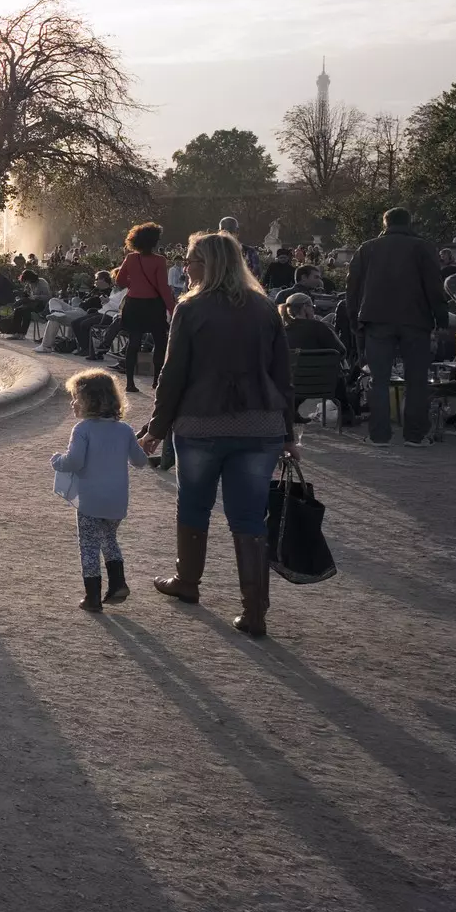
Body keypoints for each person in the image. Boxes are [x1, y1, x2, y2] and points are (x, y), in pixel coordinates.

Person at [144, 230, 293, 639]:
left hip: (202, 422)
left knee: (194, 505)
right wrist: (288, 433)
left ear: (207, 264)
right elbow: (282, 376)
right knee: (248, 517)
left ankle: (188, 582)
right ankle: (255, 610)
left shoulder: (191, 309)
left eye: (191, 260)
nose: (186, 267)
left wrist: (157, 427)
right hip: (261, 424)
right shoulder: (266, 308)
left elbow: (173, 375)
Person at [345, 207, 452, 446]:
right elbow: (434, 285)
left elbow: (352, 288)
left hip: (376, 319)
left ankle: (379, 434)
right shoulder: (423, 247)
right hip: (416, 320)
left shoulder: (367, 248)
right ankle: (415, 435)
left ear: (385, 223)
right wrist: (441, 319)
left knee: (378, 380)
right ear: (409, 222)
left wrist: (355, 321)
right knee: (417, 380)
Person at [50, 371, 141, 613]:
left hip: (90, 500)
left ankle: (92, 597)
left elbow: (75, 462)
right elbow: (139, 461)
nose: (72, 403)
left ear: (90, 401)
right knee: (108, 538)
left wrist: (58, 461)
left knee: (89, 545)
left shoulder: (83, 429)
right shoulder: (125, 430)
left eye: (76, 398)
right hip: (117, 500)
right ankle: (118, 582)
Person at [113, 223, 175, 394]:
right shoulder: (159, 261)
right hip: (153, 305)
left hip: (134, 304)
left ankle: (130, 383)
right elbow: (163, 287)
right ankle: (156, 380)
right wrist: (172, 309)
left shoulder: (131, 258)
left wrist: (134, 285)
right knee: (160, 342)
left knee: (133, 343)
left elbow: (119, 281)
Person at [280, 292, 352, 425]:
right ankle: (347, 413)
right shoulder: (320, 327)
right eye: (312, 306)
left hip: (294, 383)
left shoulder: (283, 332)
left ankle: (292, 411)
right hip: (324, 384)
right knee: (336, 370)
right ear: (305, 307)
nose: (314, 309)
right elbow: (341, 351)